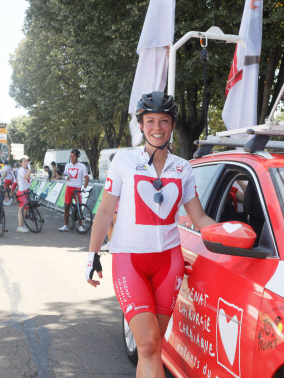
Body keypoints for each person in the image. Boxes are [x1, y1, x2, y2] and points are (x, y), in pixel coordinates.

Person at [85, 91, 215, 377]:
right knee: (146, 342)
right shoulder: (123, 160)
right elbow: (105, 211)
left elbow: (199, 217)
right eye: (150, 121)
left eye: (164, 121)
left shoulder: (183, 167)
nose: (157, 127)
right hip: (129, 260)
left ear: (171, 125)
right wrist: (93, 255)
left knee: (153, 347)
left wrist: (225, 232)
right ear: (141, 125)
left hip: (169, 262)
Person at [59, 149, 89, 232]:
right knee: (67, 206)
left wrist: (85, 188)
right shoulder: (68, 165)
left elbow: (87, 178)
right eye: (71, 156)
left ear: (77, 157)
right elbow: (63, 174)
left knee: (79, 207)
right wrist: (65, 177)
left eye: (73, 156)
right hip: (69, 187)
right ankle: (65, 225)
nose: (71, 158)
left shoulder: (82, 166)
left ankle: (80, 226)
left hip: (77, 188)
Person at [16, 158, 32, 233]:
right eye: (24, 161)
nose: (26, 162)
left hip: (25, 191)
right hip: (22, 192)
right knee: (23, 209)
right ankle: (20, 226)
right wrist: (29, 169)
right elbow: (26, 177)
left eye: (27, 161)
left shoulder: (24, 170)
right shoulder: (21, 170)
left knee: (25, 209)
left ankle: (21, 225)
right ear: (21, 163)